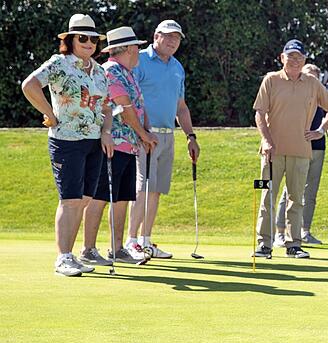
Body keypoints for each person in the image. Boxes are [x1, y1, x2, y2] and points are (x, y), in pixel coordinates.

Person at [21, 14, 114, 276]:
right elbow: (29, 85)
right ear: (70, 40)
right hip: (66, 141)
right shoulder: (59, 64)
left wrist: (107, 132)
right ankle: (62, 258)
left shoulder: (98, 70)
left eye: (93, 39)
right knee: (70, 200)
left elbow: (105, 106)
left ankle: (71, 255)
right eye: (82, 38)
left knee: (83, 199)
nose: (88, 43)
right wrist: (49, 113)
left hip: (94, 142)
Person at [251, 39, 328, 259]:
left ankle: (294, 244)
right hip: (271, 152)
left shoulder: (312, 83)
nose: (295, 61)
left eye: (299, 57)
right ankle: (264, 244)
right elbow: (259, 113)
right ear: (282, 58)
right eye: (290, 56)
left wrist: (321, 130)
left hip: (301, 151)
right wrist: (267, 140)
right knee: (266, 196)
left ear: (304, 60)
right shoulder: (271, 80)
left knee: (296, 199)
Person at [125, 19, 200, 259]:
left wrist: (190, 135)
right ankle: (131, 241)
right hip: (144, 134)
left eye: (176, 38)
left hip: (168, 136)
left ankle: (146, 240)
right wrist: (141, 131)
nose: (172, 41)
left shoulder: (177, 67)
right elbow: (129, 98)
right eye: (167, 36)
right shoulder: (140, 61)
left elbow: (182, 107)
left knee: (155, 190)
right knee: (142, 188)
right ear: (156, 36)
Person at [83, 27, 158, 265]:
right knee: (100, 197)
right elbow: (124, 109)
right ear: (127, 49)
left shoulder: (130, 72)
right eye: (136, 47)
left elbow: (138, 106)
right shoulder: (112, 71)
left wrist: (145, 133)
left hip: (129, 146)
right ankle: (88, 250)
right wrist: (144, 135)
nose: (139, 51)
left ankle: (117, 249)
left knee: (122, 198)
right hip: (112, 145)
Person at [273, 63, 328, 246]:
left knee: (310, 192)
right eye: (308, 75)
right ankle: (280, 232)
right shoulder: (293, 93)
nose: (311, 79)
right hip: (295, 146)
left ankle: (305, 231)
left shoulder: (319, 93)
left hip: (317, 147)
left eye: (315, 77)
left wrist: (321, 131)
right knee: (289, 191)